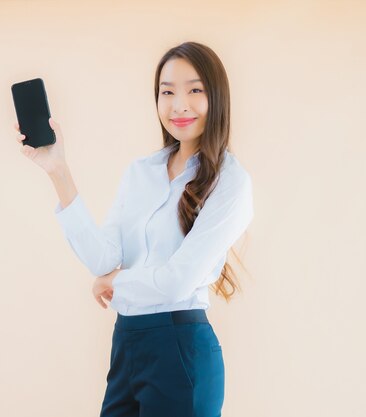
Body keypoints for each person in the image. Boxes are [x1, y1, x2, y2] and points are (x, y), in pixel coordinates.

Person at [13, 41, 254, 417]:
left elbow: (178, 280)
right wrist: (58, 170)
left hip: (181, 347)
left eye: (194, 90)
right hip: (127, 343)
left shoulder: (230, 181)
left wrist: (116, 284)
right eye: (167, 92)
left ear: (217, 97)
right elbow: (104, 257)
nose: (179, 105)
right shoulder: (141, 171)